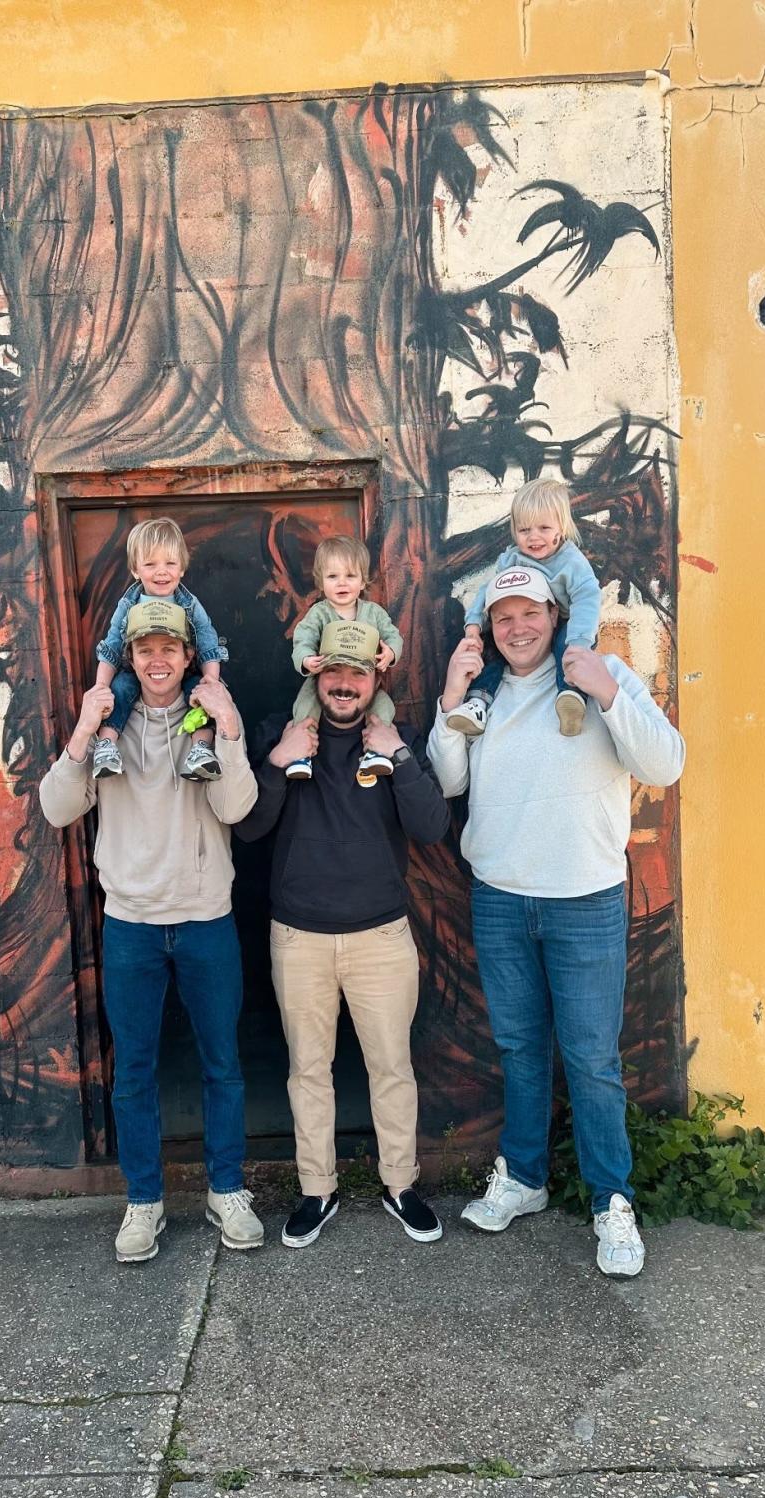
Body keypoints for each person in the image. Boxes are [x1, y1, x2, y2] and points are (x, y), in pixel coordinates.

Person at [428, 567, 686, 1277]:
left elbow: (665, 764)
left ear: (555, 614)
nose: (518, 628)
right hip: (501, 897)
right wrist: (451, 698)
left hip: (585, 901)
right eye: (504, 616)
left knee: (593, 1062)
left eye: (530, 613)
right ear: (490, 624)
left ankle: (612, 1202)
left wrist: (608, 694)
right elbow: (447, 780)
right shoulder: (483, 695)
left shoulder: (599, 674)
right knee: (519, 1048)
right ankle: (527, 1178)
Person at [39, 598, 264, 1264]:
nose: (158, 660)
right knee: (133, 1072)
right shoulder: (111, 728)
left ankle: (228, 1191)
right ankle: (144, 1201)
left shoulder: (210, 718)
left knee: (221, 1066)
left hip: (205, 922)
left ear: (189, 655)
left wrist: (228, 731)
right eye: (145, 650)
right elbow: (57, 808)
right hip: (132, 926)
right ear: (130, 657)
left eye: (170, 649)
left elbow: (237, 806)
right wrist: (82, 729)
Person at [235, 618, 451, 1248]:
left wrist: (401, 755)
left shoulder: (395, 740)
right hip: (299, 937)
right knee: (309, 1072)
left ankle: (400, 1186)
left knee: (391, 1067)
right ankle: (315, 1192)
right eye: (333, 671)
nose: (344, 684)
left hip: (381, 936)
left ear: (375, 677)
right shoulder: (284, 733)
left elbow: (433, 826)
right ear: (317, 674)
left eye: (357, 672)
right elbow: (248, 828)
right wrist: (278, 763)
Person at [445, 476, 601, 740]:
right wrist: (472, 625)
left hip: (569, 623)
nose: (534, 537)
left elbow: (587, 597)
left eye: (543, 527)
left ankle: (571, 697)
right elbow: (488, 591)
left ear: (560, 527)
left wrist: (580, 639)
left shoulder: (571, 562)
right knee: (492, 650)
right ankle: (478, 702)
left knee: (567, 650)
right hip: (538, 623)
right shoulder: (514, 558)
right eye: (524, 530)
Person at [90, 516, 227, 783]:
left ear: (182, 568)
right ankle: (106, 747)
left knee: (200, 694)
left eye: (170, 563)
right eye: (150, 564)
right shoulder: (128, 604)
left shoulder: (189, 604)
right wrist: (100, 686)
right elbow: (112, 646)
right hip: (137, 672)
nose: (161, 572)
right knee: (119, 689)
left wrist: (210, 677)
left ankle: (201, 748)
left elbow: (208, 640)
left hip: (182, 672)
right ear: (135, 570)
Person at [287, 534, 404, 786]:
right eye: (332, 577)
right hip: (325, 678)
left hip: (366, 683)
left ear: (363, 581)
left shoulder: (373, 613)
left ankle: (374, 752)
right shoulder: (319, 613)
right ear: (320, 582)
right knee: (305, 706)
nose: (342, 583)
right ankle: (302, 753)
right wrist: (306, 659)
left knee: (384, 708)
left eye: (350, 576)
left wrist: (390, 653)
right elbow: (303, 638)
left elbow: (393, 635)